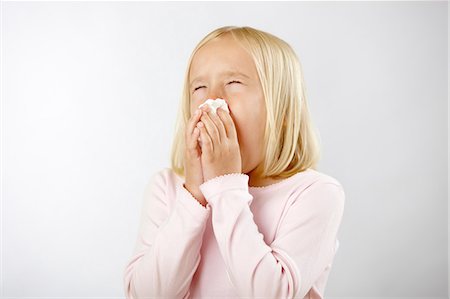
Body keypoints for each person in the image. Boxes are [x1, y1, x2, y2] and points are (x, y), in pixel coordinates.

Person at [123, 25, 345, 299]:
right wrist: (194, 195)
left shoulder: (314, 193)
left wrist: (225, 187)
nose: (211, 100)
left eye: (234, 83)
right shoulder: (166, 188)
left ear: (282, 110)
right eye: (199, 87)